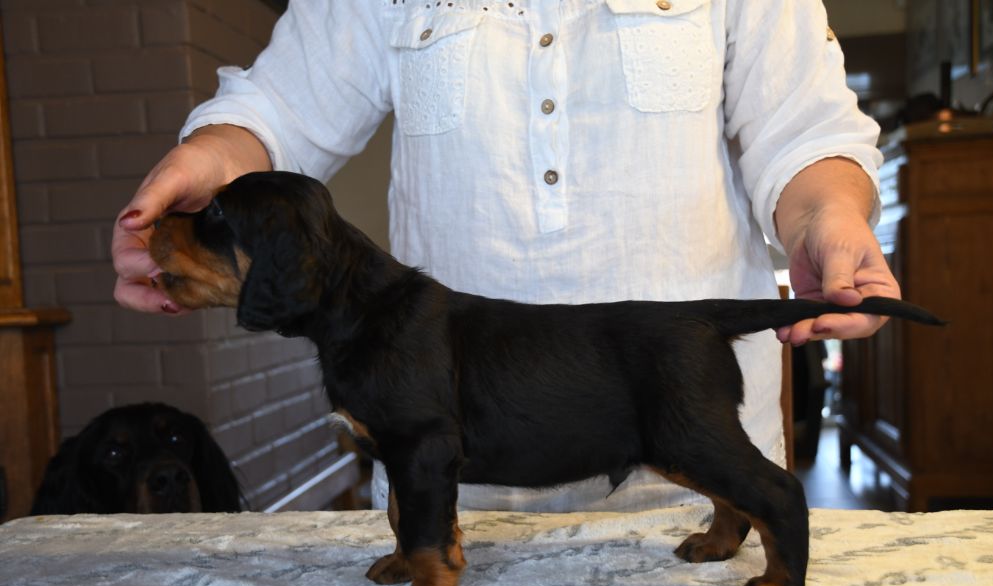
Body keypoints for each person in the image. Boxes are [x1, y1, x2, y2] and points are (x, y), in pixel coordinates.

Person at [112, 0, 900, 512]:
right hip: (452, 489)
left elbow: (805, 129)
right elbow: (282, 108)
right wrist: (204, 161)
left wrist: (828, 216)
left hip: (686, 475)